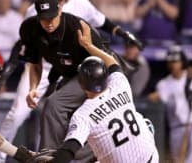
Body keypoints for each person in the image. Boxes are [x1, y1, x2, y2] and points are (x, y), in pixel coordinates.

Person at [0, 0, 143, 162]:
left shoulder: (76, 23)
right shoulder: (31, 26)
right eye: (44, 19)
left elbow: (105, 48)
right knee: (55, 113)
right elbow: (34, 61)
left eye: (52, 17)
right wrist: (33, 87)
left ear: (59, 10)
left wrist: (120, 35)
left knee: (62, 107)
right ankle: (51, 154)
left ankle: (50, 155)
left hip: (95, 67)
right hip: (64, 71)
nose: (49, 22)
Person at [50, 22, 159, 163]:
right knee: (144, 122)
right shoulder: (120, 84)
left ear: (82, 85)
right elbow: (112, 63)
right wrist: (89, 46)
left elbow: (70, 149)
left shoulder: (83, 114)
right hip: (151, 157)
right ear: (105, 78)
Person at [148, 46, 192, 163]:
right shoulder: (164, 84)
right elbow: (156, 98)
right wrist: (155, 96)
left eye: (176, 61)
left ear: (183, 62)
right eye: (170, 61)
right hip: (176, 129)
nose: (173, 64)